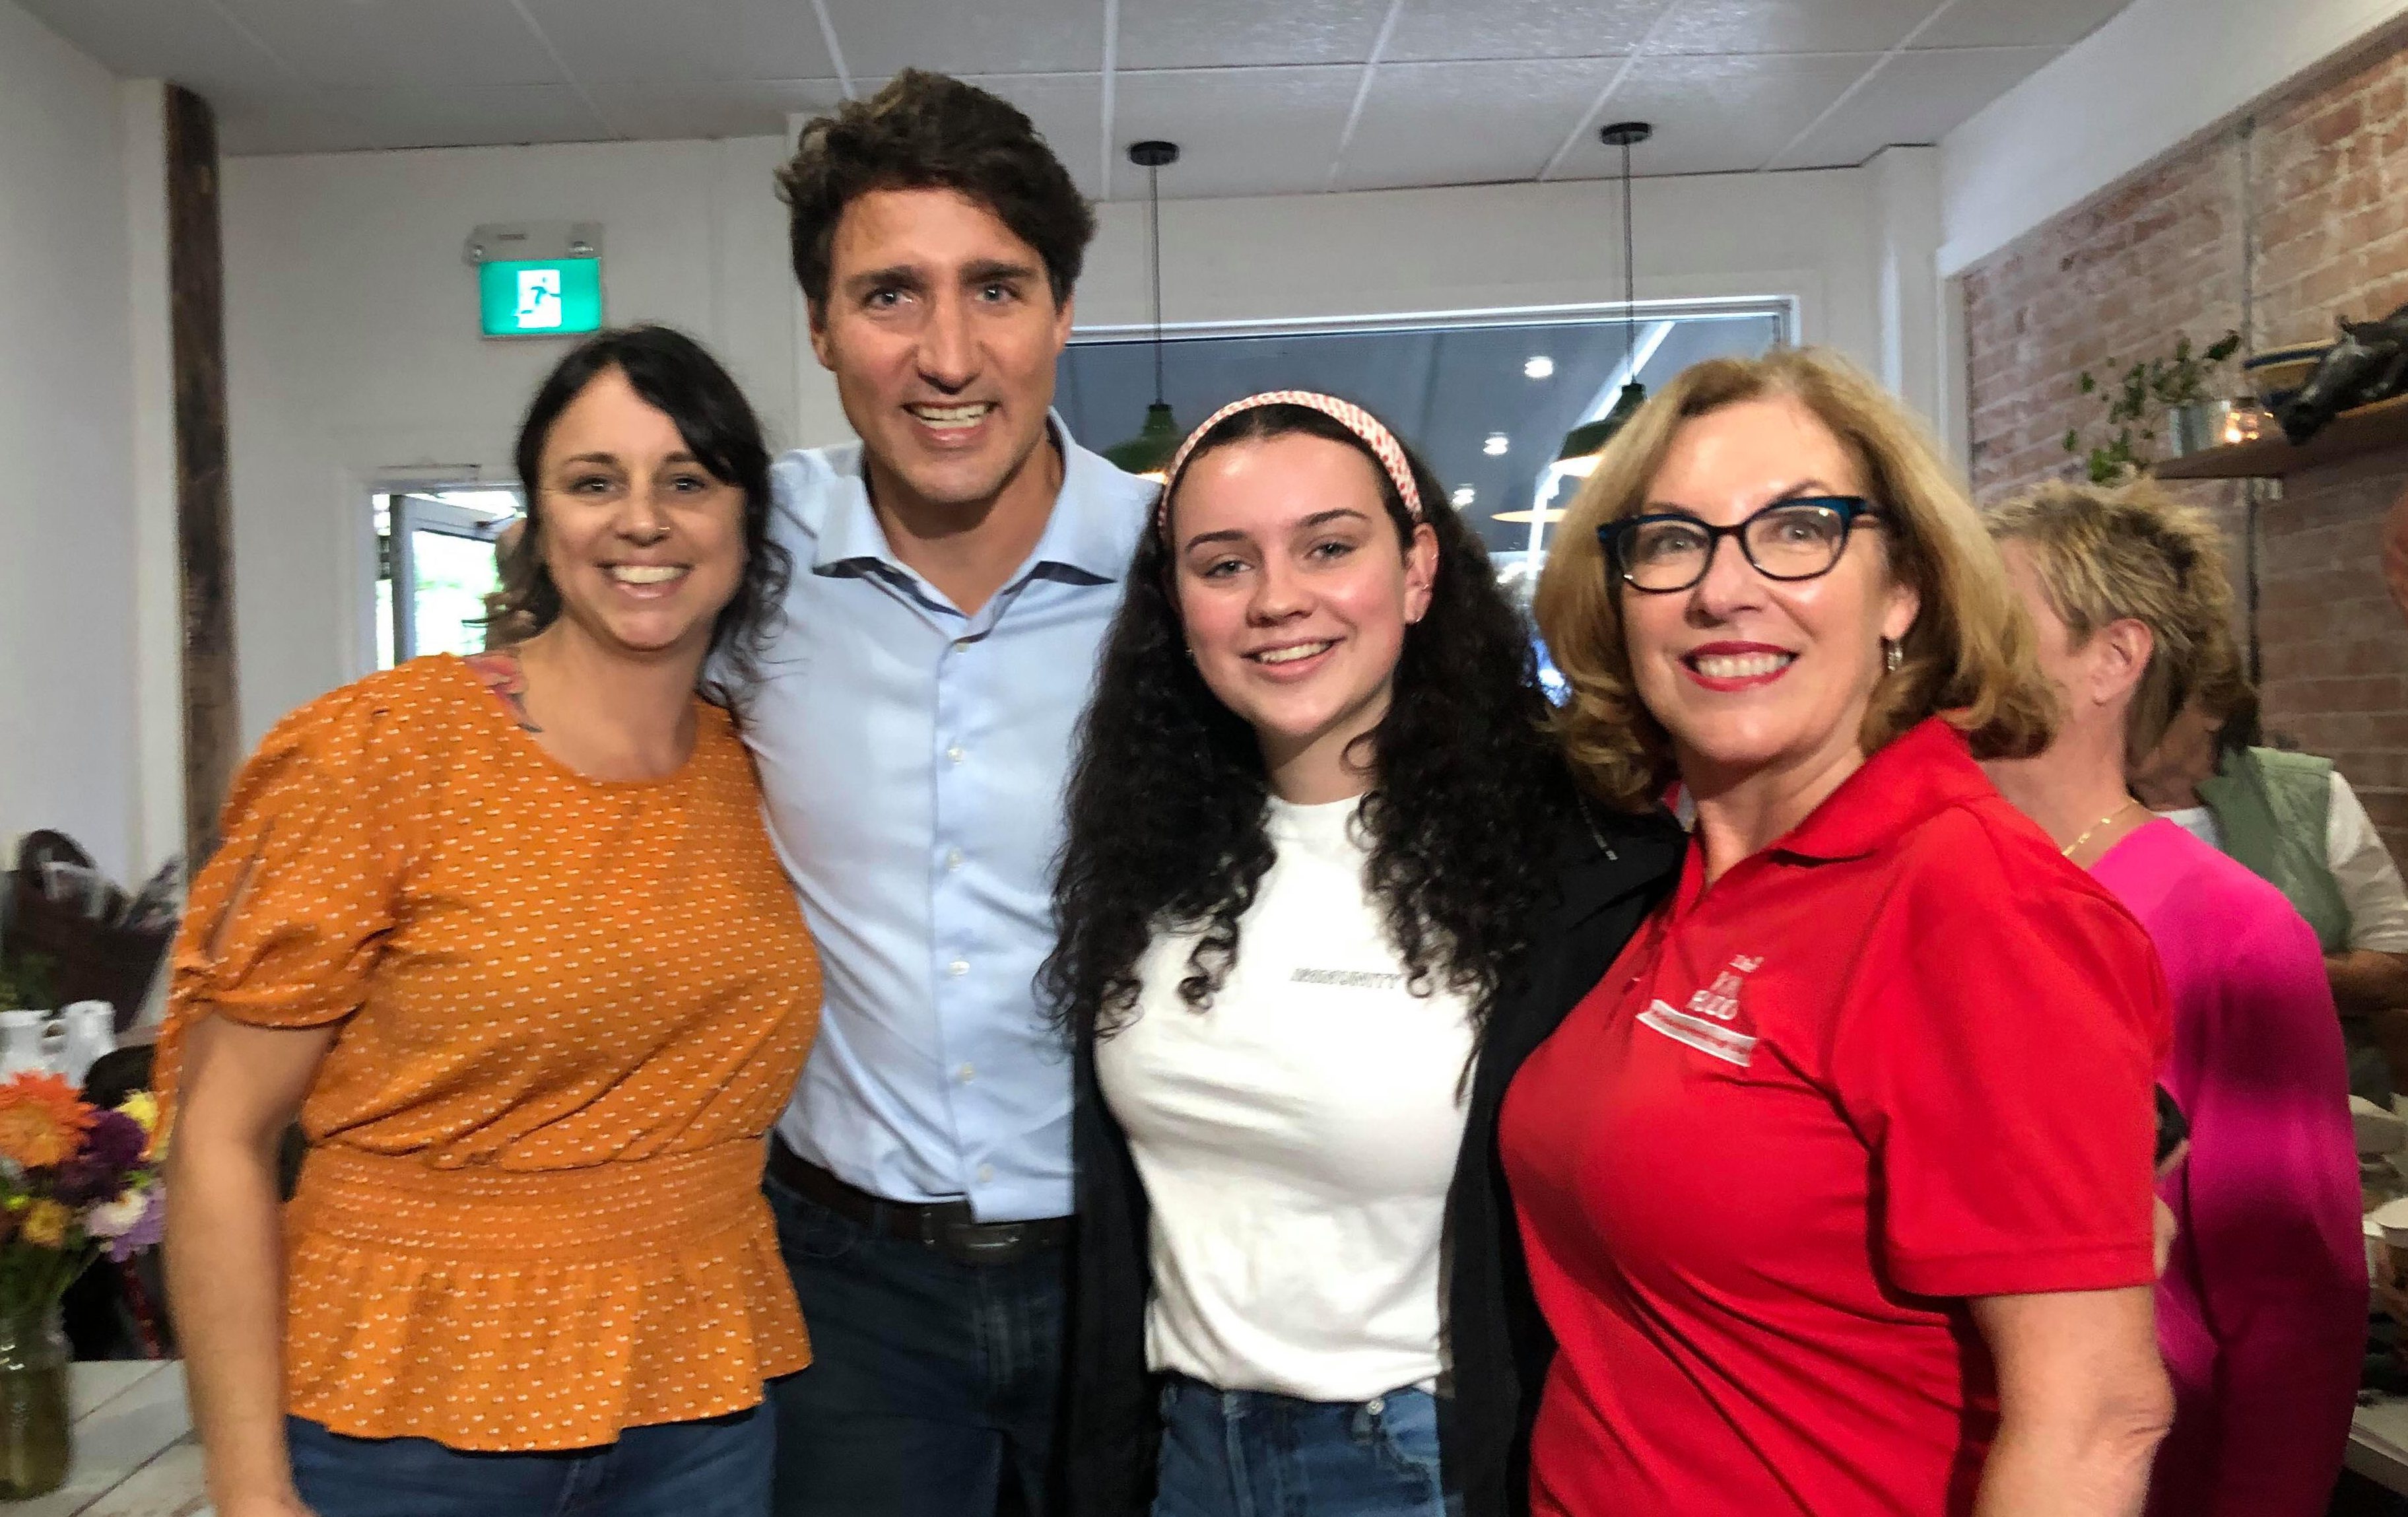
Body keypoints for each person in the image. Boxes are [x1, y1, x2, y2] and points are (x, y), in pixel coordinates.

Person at [160, 325, 820, 1517]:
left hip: (697, 1406)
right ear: (534, 522)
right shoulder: (383, 750)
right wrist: (250, 1487)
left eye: (686, 479)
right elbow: (217, 1135)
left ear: (745, 520)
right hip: (403, 1419)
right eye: (592, 481)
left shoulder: (752, 767)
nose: (641, 520)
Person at [1512, 347, 2176, 1516]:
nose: (1725, 589)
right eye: (1669, 541)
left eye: (1798, 528)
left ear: (1903, 588)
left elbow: (2092, 1419)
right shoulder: (1681, 879)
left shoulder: (1968, 899)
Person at [1045, 392, 1683, 1517]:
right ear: (1175, 601)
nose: (1277, 598)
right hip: (1187, 1450)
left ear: (1419, 568)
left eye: (1328, 547)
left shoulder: (1575, 867)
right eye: (1223, 563)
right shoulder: (1149, 846)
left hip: (1426, 1457)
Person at [743, 70, 1156, 1517]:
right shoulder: (748, 551)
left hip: (1138, 1259)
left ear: (1060, 312)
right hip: (846, 1285)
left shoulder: (1187, 574)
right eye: (888, 296)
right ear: (819, 326)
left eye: (997, 288)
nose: (947, 355)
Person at [1984, 478, 2364, 1517]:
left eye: (1993, 619)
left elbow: (2295, 1307)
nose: (1953, 652)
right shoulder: (1943, 891)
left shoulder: (2232, 932)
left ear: (2114, 657)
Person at [2131, 675, 2408, 1100]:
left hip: (2312, 1101)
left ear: (2212, 708)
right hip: (2144, 1114)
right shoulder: (2070, 812)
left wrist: (2252, 967)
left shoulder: (2307, 794)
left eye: (2138, 697)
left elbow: (2394, 969)